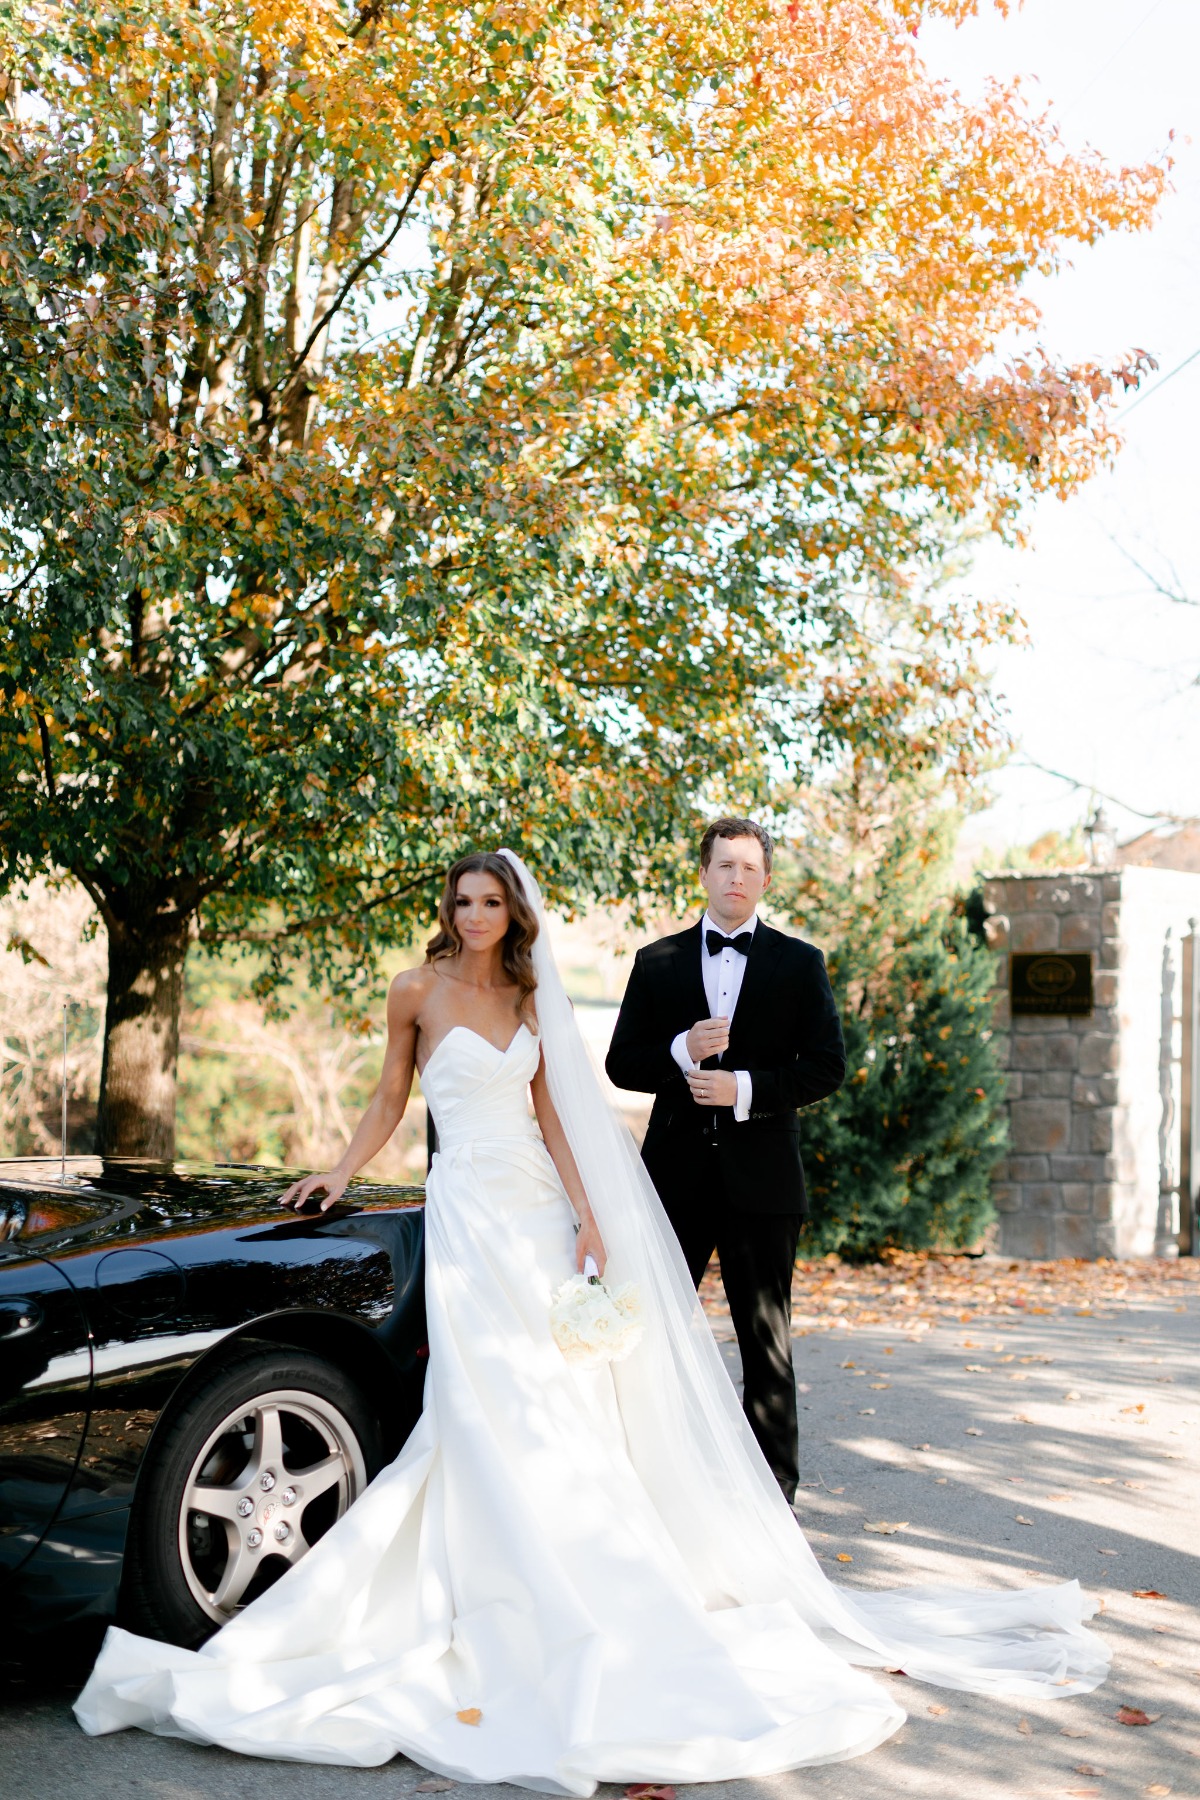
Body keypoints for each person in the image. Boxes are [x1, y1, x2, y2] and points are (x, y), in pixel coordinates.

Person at [74, 849, 1109, 1792]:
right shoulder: (415, 990)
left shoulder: (530, 993)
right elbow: (391, 1098)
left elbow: (560, 1116)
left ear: (513, 914)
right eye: (461, 901)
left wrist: (590, 1217)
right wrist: (340, 1173)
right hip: (467, 1211)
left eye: (490, 902)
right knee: (479, 1394)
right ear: (449, 910)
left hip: (531, 1208)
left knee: (556, 1392)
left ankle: (581, 1567)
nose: (474, 915)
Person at [605, 817, 842, 1501]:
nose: (735, 878)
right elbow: (623, 1063)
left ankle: (773, 1499)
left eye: (748, 867)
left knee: (765, 1345)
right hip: (673, 1183)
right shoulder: (657, 962)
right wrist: (682, 1051)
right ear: (703, 874)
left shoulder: (801, 964)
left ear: (765, 879)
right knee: (647, 1338)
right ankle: (643, 1484)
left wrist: (743, 1089)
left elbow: (827, 1067)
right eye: (723, 865)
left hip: (763, 1187)